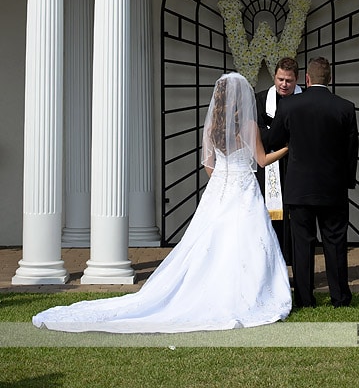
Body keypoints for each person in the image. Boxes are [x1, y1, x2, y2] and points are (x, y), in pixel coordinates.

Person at [33, 73, 291, 333]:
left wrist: (222, 181)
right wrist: (287, 148)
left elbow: (209, 166)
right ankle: (246, 291)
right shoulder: (249, 125)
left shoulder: (213, 125)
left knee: (209, 243)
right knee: (243, 242)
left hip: (219, 190)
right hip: (243, 189)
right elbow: (262, 161)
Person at [268, 56, 358, 309]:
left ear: (306, 79)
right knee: (335, 242)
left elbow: (274, 140)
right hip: (333, 188)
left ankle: (305, 298)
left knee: (302, 245)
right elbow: (352, 151)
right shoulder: (345, 107)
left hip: (299, 189)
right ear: (328, 80)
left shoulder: (290, 106)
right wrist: (347, 182)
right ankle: (340, 297)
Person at [255, 56, 300, 261]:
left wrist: (275, 135)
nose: (284, 84)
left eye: (289, 80)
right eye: (280, 79)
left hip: (297, 164)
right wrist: (286, 139)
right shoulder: (261, 100)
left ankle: (292, 256)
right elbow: (261, 136)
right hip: (271, 163)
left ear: (297, 80)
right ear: (274, 77)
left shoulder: (303, 99)